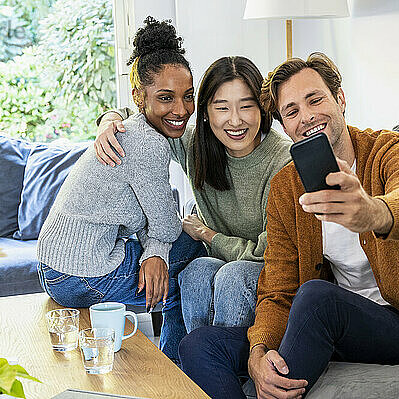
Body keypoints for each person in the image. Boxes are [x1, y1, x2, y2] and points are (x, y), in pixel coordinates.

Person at [178, 52, 399, 398]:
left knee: (318, 298)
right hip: (331, 327)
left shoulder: (394, 151)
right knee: (198, 345)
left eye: (314, 99)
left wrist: (372, 212)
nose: (306, 117)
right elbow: (279, 286)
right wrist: (258, 352)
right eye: (291, 111)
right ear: (284, 126)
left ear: (340, 99)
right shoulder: (287, 187)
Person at [36, 17, 206, 362]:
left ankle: (174, 365)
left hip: (56, 262)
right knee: (190, 276)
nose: (181, 109)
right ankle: (177, 375)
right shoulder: (147, 143)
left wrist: (155, 248)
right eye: (166, 98)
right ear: (139, 96)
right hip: (79, 273)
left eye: (188, 96)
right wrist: (157, 250)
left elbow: (155, 221)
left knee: (183, 249)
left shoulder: (133, 126)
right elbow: (167, 225)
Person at [94, 56, 292, 333]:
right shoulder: (196, 143)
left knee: (231, 276)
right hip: (220, 260)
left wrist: (207, 234)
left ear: (262, 108)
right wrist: (108, 120)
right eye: (222, 108)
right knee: (196, 271)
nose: (235, 120)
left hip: (268, 268)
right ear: (206, 112)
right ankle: (194, 368)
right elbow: (143, 116)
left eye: (246, 106)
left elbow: (265, 253)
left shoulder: (282, 161)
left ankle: (232, 366)